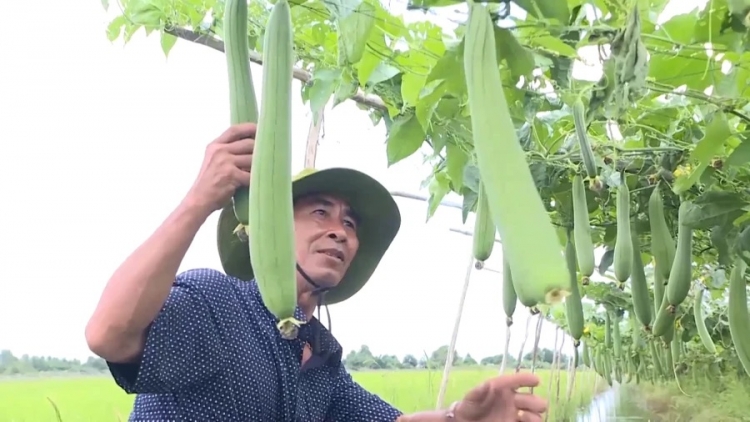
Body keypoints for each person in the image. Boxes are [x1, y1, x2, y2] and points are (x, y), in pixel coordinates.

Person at [85, 123, 548, 422]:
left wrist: (455, 419)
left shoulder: (322, 357)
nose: (339, 232)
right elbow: (109, 333)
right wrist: (198, 200)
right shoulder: (216, 303)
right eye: (320, 213)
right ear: (268, 229)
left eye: (349, 223)